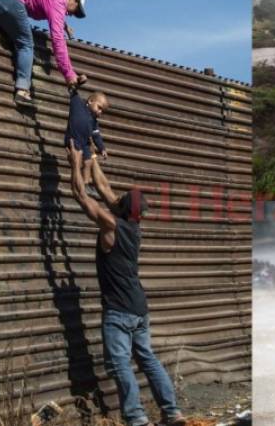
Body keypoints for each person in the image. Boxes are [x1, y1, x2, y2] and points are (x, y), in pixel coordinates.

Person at [66, 140, 186, 426]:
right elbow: (104, 187)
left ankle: (136, 419)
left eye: (120, 198)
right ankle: (172, 412)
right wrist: (91, 156)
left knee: (119, 363)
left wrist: (74, 162)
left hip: (119, 311)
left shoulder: (111, 226)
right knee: (147, 358)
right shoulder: (132, 225)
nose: (115, 195)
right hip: (139, 309)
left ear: (120, 208)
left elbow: (81, 195)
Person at [0, 0, 87, 106]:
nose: (71, 14)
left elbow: (46, 4)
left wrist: (64, 24)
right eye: (75, 10)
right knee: (26, 44)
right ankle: (23, 90)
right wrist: (69, 74)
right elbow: (58, 40)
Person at [65, 89, 109, 194]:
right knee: (77, 160)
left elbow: (96, 136)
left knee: (88, 162)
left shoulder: (94, 121)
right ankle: (78, 183)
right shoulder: (78, 105)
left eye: (102, 111)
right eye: (99, 108)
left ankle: (86, 184)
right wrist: (76, 83)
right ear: (90, 101)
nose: (100, 112)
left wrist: (102, 148)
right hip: (73, 139)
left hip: (85, 142)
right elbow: (73, 90)